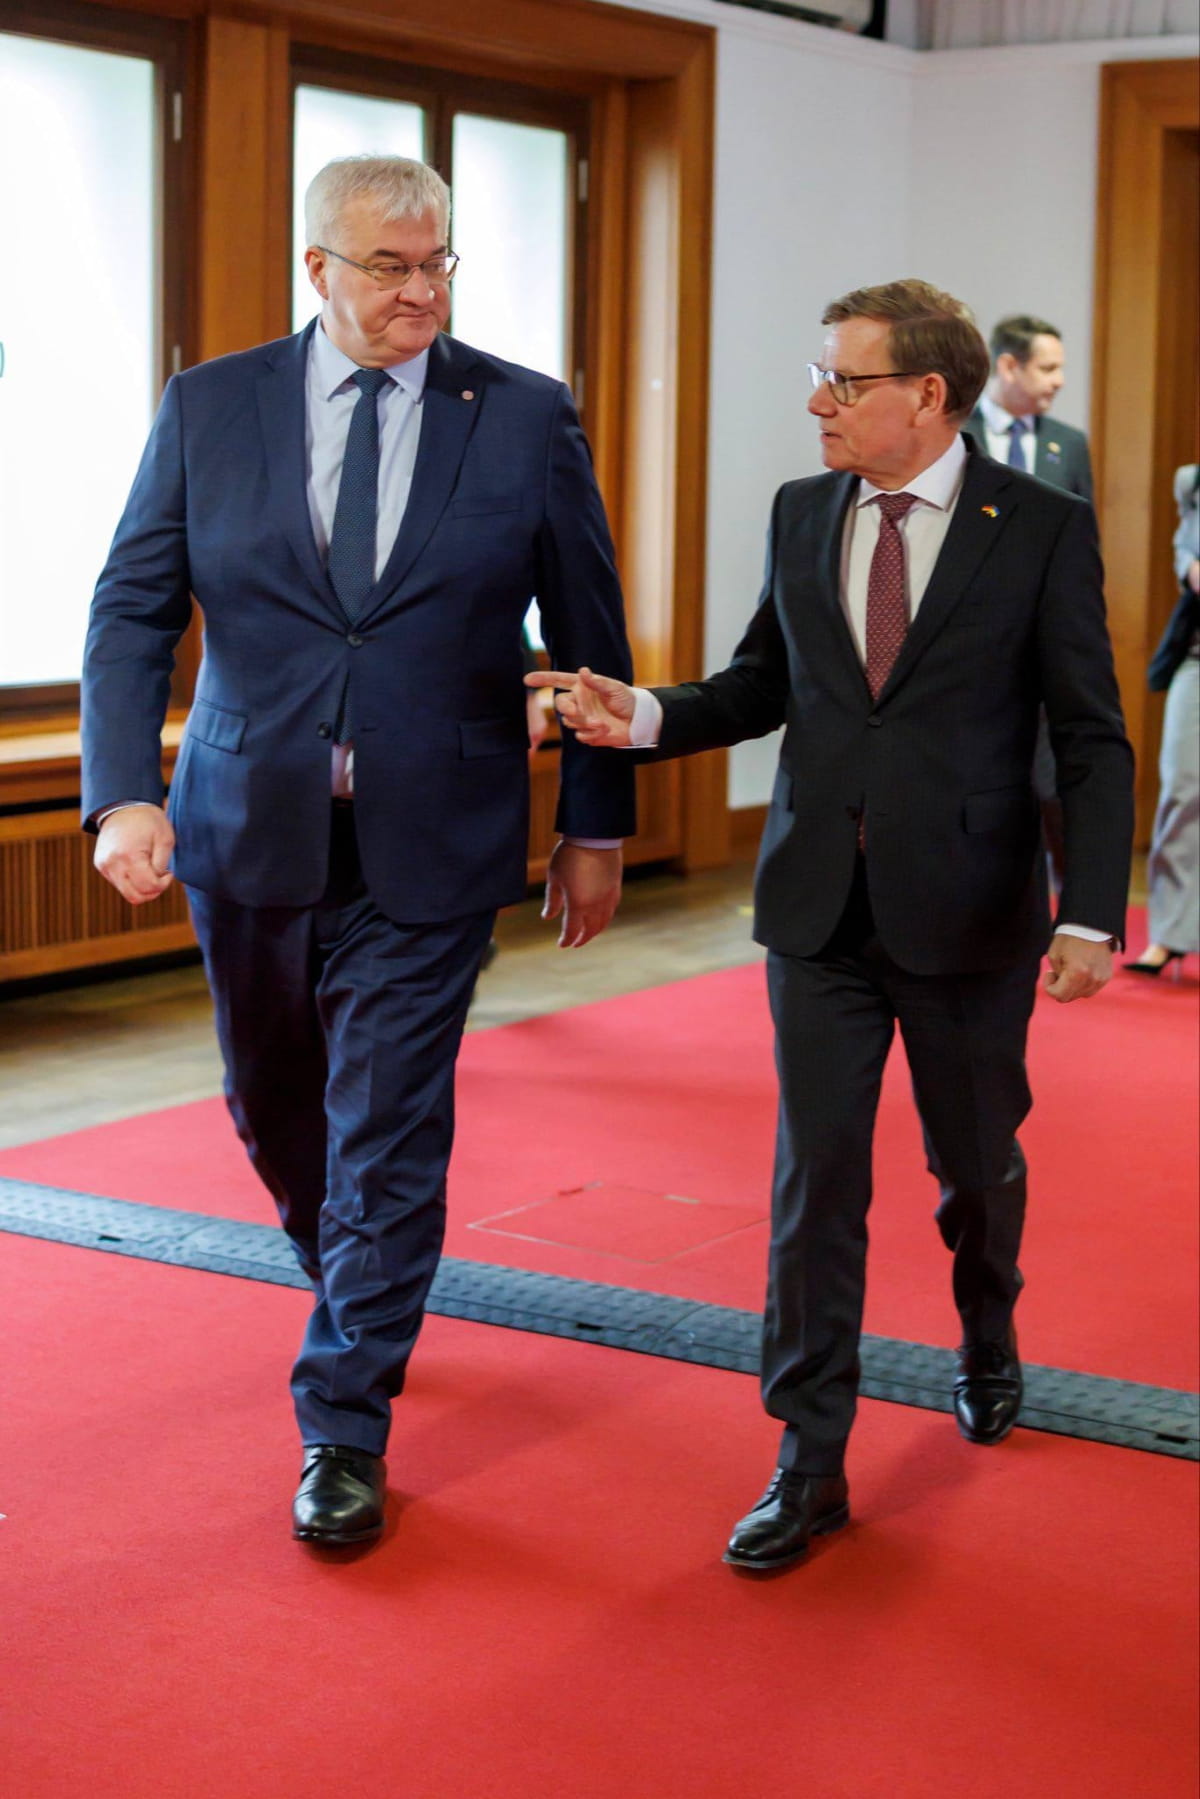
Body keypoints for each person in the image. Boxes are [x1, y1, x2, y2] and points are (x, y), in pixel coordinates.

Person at [530, 280, 1133, 1574]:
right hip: (816, 907)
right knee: (816, 1183)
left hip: (971, 911)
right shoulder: (804, 511)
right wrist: (642, 713)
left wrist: (1088, 908)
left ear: (929, 394)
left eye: (844, 382)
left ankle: (988, 1330)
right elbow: (765, 682)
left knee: (975, 1167)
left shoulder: (1038, 525)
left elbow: (1089, 733)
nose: (819, 402)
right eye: (822, 376)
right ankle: (807, 1459)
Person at [81, 154, 635, 1549]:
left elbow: (592, 635)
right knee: (273, 1100)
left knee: (387, 1121)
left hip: (437, 833)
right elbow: (133, 606)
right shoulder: (212, 404)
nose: (421, 291)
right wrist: (121, 795)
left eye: (438, 263)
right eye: (390, 267)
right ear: (318, 268)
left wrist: (594, 822)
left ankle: (344, 1417)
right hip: (245, 823)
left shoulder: (522, 414)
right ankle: (349, 1272)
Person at [969, 315, 1095, 887]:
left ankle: (1069, 907)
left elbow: (1085, 545)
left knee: (1054, 785)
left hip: (1044, 642)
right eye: (1048, 367)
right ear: (1008, 366)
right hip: (968, 641)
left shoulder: (1068, 444)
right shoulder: (957, 434)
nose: (1059, 380)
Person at [1126, 463, 1199, 976]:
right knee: (1183, 787)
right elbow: (1188, 561)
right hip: (1195, 660)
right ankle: (1172, 933)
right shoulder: (1191, 483)